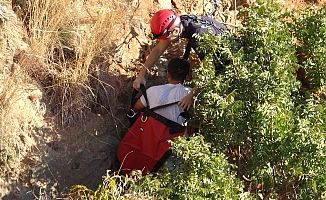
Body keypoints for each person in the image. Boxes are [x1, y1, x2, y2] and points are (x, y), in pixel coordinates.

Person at [133, 9, 228, 110]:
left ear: (176, 31)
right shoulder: (181, 22)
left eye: (166, 38)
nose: (165, 41)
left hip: (229, 62)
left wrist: (191, 95)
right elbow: (158, 49)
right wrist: (141, 75)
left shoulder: (199, 35)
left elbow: (209, 68)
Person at [132, 58, 192, 125]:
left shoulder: (152, 91)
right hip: (177, 134)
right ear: (187, 77)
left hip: (151, 132)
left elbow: (134, 108)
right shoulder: (190, 94)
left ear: (168, 74)